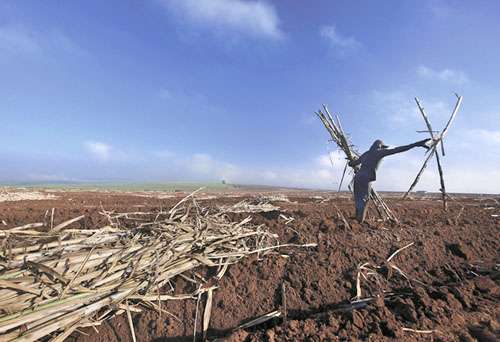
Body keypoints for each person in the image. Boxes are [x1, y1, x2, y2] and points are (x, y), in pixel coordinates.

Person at [348, 138, 431, 222]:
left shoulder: (366, 154)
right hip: (366, 178)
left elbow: (353, 163)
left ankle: (357, 217)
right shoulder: (379, 152)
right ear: (379, 147)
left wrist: (350, 162)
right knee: (365, 198)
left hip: (358, 177)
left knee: (358, 197)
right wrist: (416, 144)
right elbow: (398, 149)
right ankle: (360, 220)